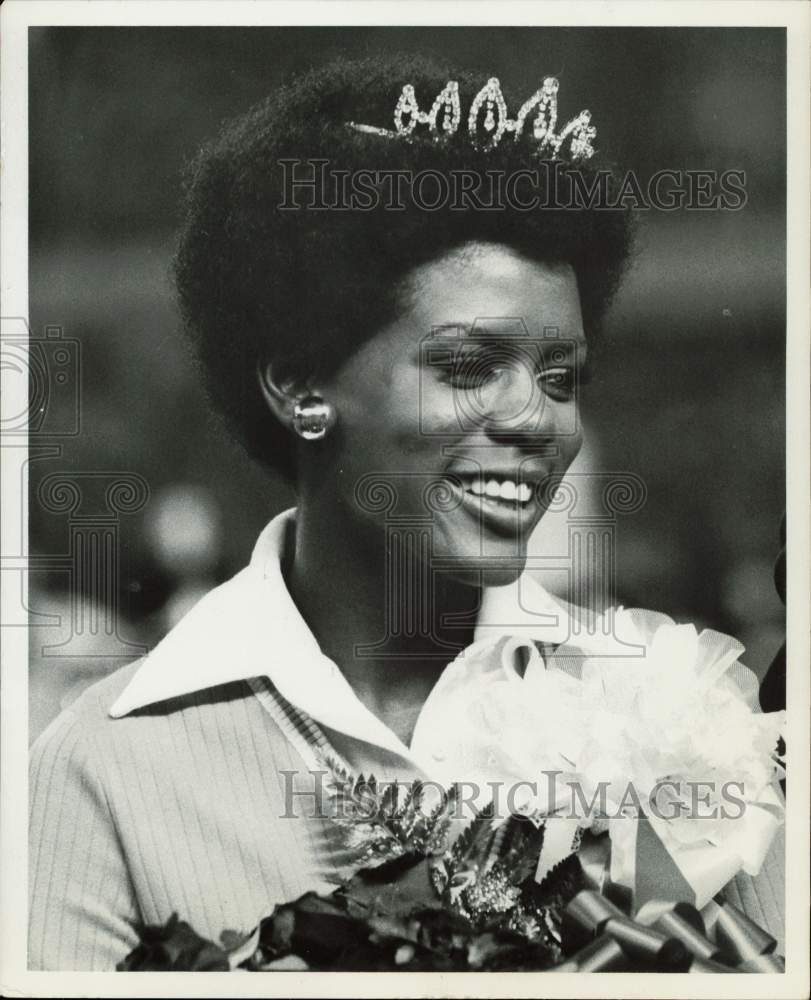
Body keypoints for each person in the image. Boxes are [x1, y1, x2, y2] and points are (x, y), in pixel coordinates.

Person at [28, 54, 783, 970]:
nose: (535, 420)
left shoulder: (677, 722)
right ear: (300, 387)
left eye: (561, 378)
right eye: (466, 368)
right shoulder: (105, 773)